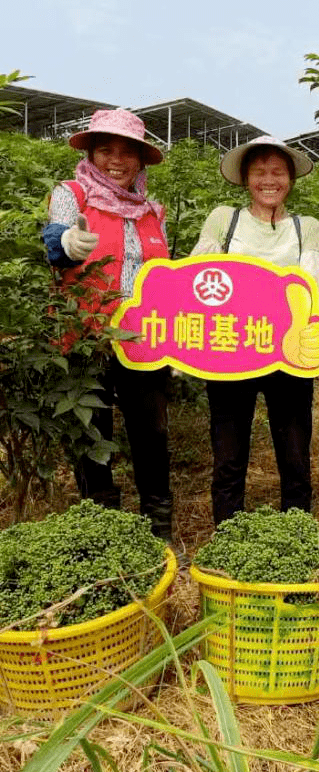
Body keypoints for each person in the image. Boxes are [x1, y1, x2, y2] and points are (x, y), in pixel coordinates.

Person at [42, 108, 174, 542]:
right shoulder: (73, 194)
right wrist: (65, 244)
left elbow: (165, 280)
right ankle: (103, 523)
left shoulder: (151, 211)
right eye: (106, 151)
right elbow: (56, 243)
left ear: (140, 160)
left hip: (144, 340)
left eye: (127, 152)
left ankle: (156, 523)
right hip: (86, 336)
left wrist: (176, 343)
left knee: (150, 431)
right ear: (92, 154)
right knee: (93, 431)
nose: (116, 160)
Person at [191, 136, 319, 526]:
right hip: (231, 351)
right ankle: (229, 535)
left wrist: (316, 347)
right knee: (229, 454)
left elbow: (314, 292)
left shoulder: (307, 228)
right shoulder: (224, 219)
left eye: (278, 172)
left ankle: (297, 533)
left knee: (295, 455)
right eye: (260, 172)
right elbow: (198, 281)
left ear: (290, 179)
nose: (269, 180)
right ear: (246, 178)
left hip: (289, 355)